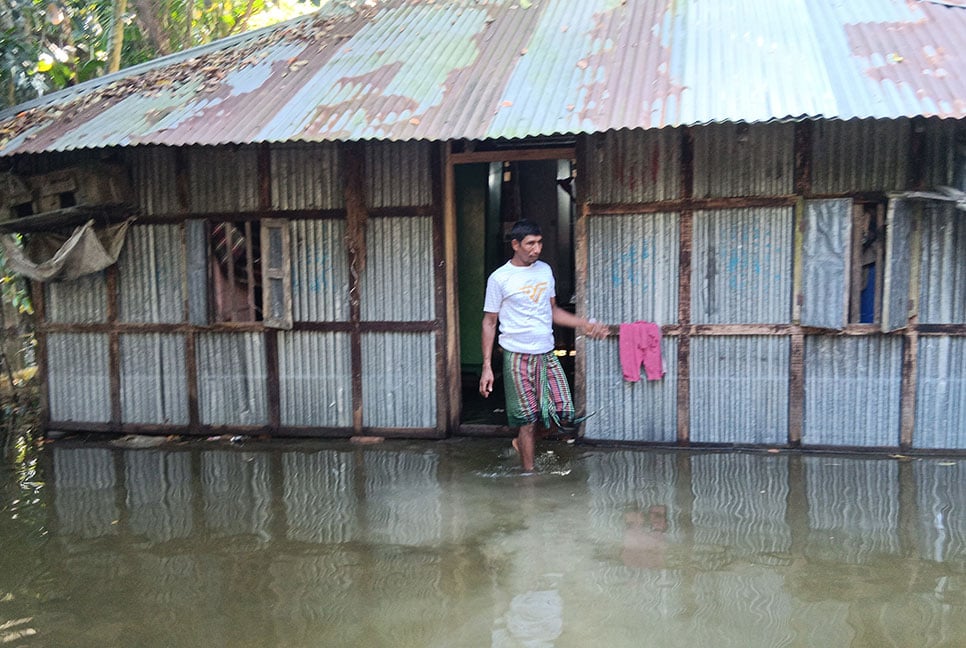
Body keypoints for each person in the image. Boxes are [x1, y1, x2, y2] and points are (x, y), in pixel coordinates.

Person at [479, 219, 609, 472]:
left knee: (563, 414)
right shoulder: (500, 278)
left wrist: (585, 324)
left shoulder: (544, 270)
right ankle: (530, 475)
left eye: (539, 243)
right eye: (530, 244)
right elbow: (489, 321)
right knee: (527, 420)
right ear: (515, 245)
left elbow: (553, 312)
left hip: (546, 353)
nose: (536, 249)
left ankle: (520, 442)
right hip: (517, 355)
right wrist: (486, 366)